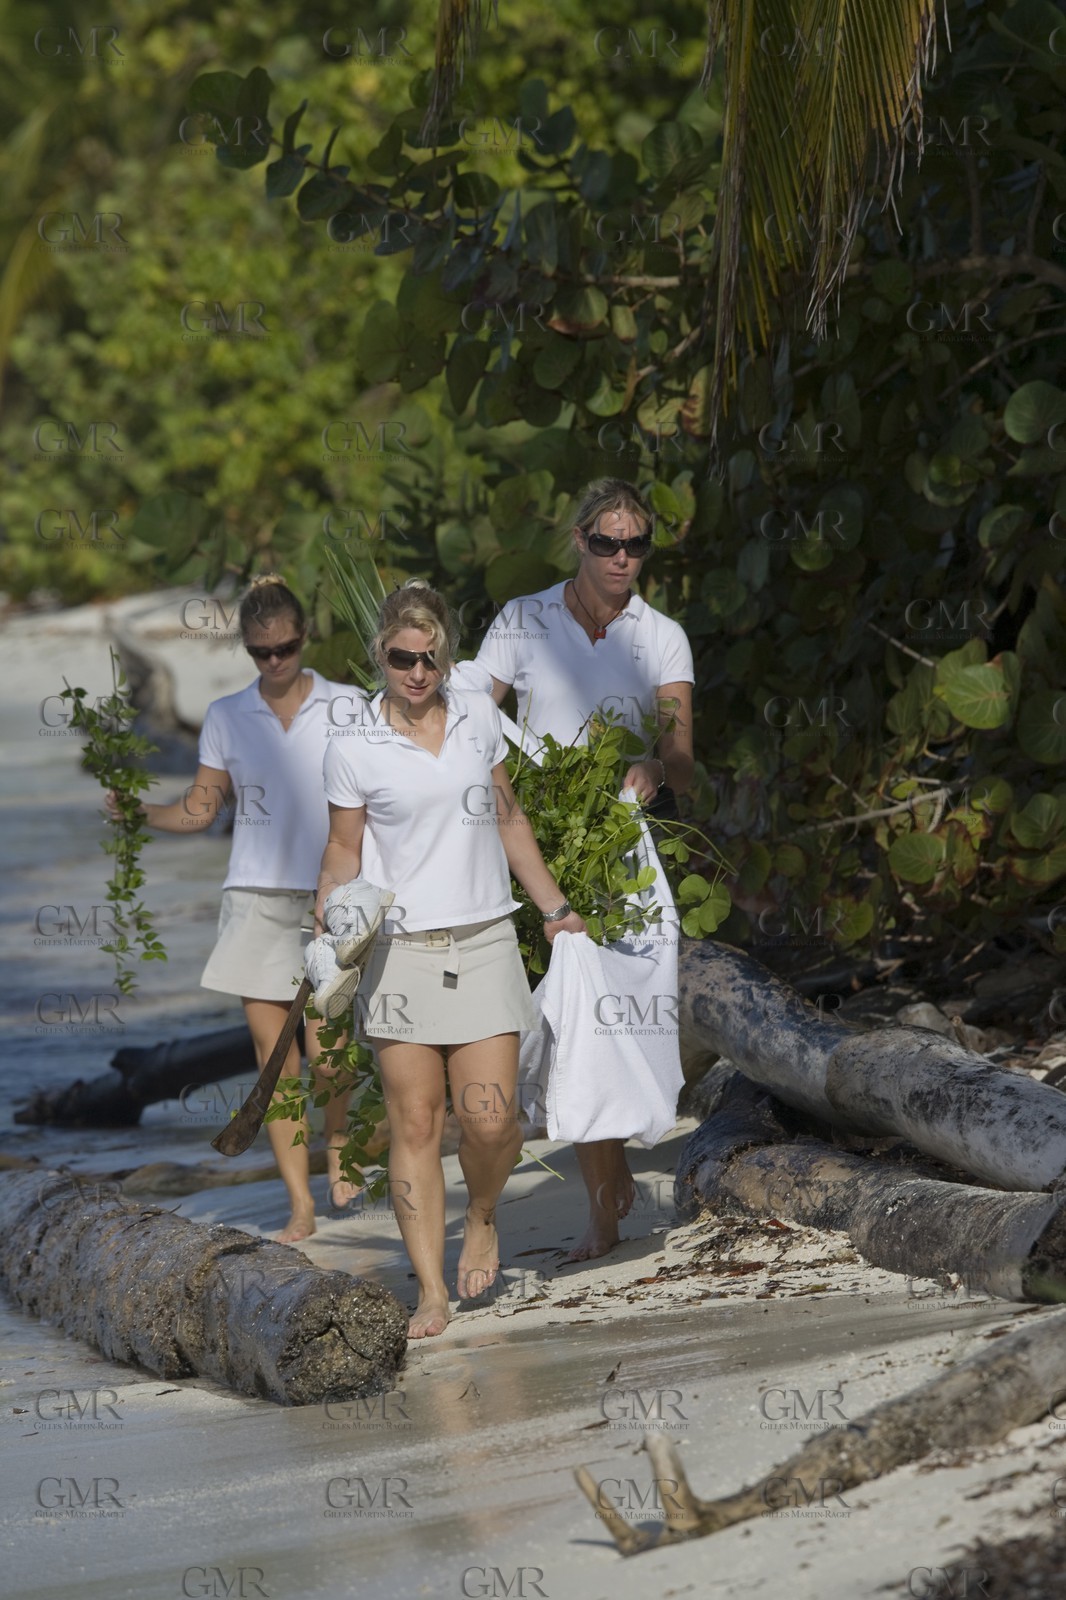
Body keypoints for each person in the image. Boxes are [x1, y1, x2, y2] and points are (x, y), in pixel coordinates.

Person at [318, 579, 585, 1339]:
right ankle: (430, 1289)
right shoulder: (353, 744)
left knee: (493, 1119)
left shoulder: (475, 718)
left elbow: (508, 815)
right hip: (399, 950)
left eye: (431, 659)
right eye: (403, 658)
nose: (417, 673)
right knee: (415, 1119)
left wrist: (555, 908)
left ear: (446, 656)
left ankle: (485, 1214)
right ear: (381, 656)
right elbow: (343, 847)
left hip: (485, 936)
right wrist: (328, 906)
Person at [475, 477, 695, 1261]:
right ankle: (606, 1203)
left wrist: (655, 772)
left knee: (617, 1006)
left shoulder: (661, 635)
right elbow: (472, 715)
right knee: (573, 1015)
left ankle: (612, 1186)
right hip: (540, 840)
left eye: (635, 544)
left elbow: (681, 753)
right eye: (606, 542)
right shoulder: (522, 619)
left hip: (622, 851)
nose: (622, 557)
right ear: (579, 541)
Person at [108, 575, 358, 1243]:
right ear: (247, 649)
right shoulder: (225, 716)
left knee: (330, 1047)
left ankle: (338, 1152)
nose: (274, 662)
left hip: (332, 896)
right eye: (260, 652)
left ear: (304, 639)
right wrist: (140, 813)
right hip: (252, 896)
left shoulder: (349, 705)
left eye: (285, 648)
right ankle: (299, 1208)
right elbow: (200, 809)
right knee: (274, 1059)